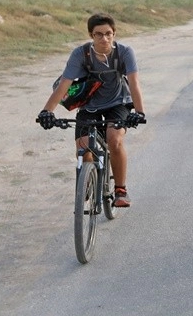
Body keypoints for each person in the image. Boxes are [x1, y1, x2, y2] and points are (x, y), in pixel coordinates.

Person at [37, 13, 146, 208]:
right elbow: (63, 85)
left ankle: (120, 189)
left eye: (108, 34)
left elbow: (135, 83)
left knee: (115, 139)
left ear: (114, 34)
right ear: (91, 35)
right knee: (83, 146)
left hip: (118, 103)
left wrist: (139, 112)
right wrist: (47, 112)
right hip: (89, 105)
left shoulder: (124, 53)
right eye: (98, 34)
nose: (104, 39)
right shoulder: (80, 54)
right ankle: (86, 183)